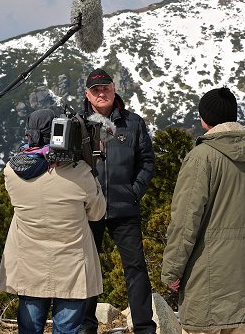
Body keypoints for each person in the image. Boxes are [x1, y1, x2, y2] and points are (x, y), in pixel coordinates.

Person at [161, 87, 245, 334]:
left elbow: (185, 221)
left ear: (204, 120)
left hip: (206, 273)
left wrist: (172, 271)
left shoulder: (201, 157)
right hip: (243, 272)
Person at [0, 109, 106, 334]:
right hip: (71, 264)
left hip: (29, 263)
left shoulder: (11, 171)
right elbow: (97, 213)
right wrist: (90, 165)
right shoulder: (80, 173)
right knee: (67, 329)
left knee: (30, 327)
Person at [80, 68, 157, 334]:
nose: (102, 93)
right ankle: (86, 326)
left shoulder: (132, 123)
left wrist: (133, 192)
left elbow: (147, 161)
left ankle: (144, 327)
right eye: (96, 90)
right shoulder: (78, 124)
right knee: (87, 269)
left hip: (125, 208)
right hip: (88, 211)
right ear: (87, 94)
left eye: (106, 88)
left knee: (135, 267)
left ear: (114, 90)